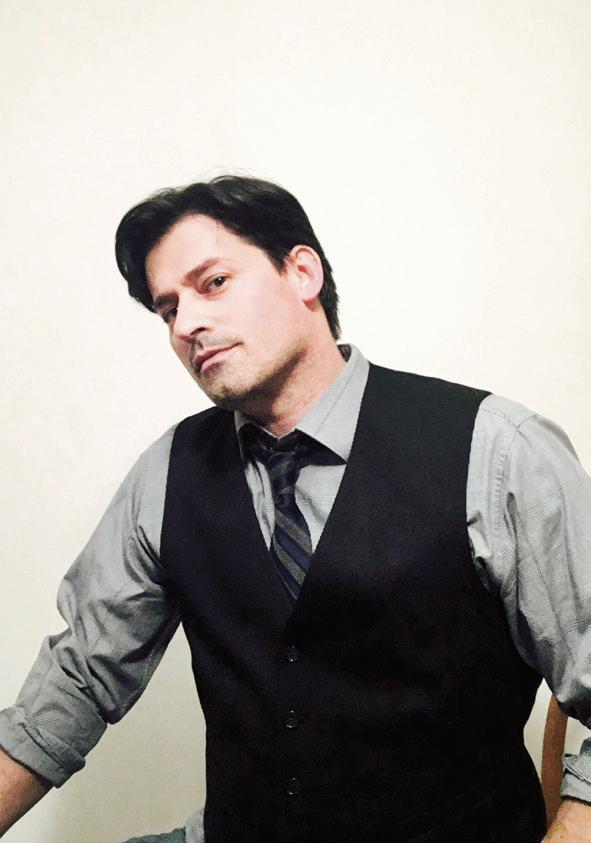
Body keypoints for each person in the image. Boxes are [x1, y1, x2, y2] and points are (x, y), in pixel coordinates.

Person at [1, 175, 590, 843]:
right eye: (168, 309)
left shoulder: (497, 448)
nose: (186, 324)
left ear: (302, 272)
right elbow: (75, 683)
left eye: (213, 283)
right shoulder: (167, 473)